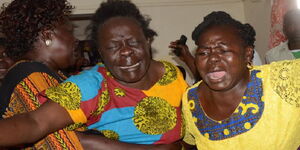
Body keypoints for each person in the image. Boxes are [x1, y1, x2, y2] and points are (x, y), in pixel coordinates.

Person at [0, 0, 187, 149]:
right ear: (101, 53)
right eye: (113, 46)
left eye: (133, 42)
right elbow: (37, 124)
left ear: (147, 40)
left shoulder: (171, 75)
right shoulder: (89, 85)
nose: (126, 52)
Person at [181, 11, 300, 150]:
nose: (212, 58)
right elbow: (189, 143)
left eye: (223, 50)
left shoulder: (282, 78)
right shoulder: (191, 98)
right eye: (203, 53)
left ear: (247, 54)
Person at [0, 0, 83, 149]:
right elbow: (60, 140)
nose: (75, 39)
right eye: (69, 32)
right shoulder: (32, 75)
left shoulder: (48, 74)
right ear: (47, 36)